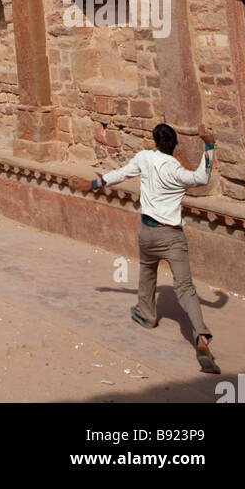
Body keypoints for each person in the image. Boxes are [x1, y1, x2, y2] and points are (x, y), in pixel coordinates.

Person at [88, 122, 219, 374]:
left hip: (148, 232)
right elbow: (202, 177)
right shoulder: (178, 171)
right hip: (172, 236)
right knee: (185, 287)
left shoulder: (145, 158)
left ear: (155, 142)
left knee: (147, 271)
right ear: (175, 146)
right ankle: (201, 336)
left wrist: (96, 184)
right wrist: (210, 144)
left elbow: (121, 174)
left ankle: (146, 314)